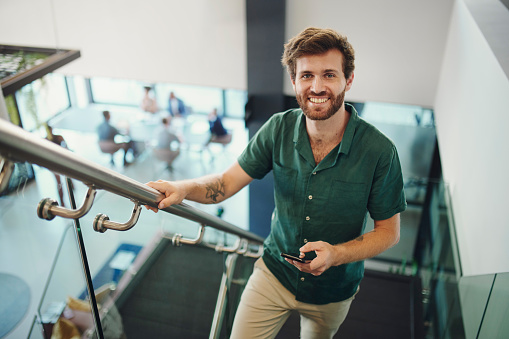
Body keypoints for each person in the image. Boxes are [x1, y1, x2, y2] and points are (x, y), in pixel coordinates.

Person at [145, 27, 406, 338]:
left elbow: (388, 232)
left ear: (348, 80)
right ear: (294, 81)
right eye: (307, 75)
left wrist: (336, 254)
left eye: (329, 75)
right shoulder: (277, 129)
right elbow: (226, 183)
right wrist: (184, 188)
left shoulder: (379, 151)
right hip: (274, 275)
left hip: (333, 291)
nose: (317, 86)